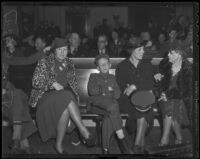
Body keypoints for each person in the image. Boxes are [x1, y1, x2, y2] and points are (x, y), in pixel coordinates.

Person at [29, 38, 94, 154]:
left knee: (65, 107)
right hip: (46, 96)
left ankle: (58, 146)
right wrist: (52, 83)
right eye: (59, 50)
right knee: (66, 95)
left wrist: (74, 96)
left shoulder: (69, 63)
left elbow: (73, 84)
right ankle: (83, 130)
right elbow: (35, 82)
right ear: (54, 50)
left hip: (64, 96)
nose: (62, 52)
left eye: (65, 50)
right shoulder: (44, 62)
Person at [115, 44, 159, 153]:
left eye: (143, 50)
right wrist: (141, 86)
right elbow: (124, 88)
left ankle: (137, 145)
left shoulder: (147, 65)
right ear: (131, 51)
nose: (142, 52)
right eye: (139, 50)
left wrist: (135, 86)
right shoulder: (122, 66)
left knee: (142, 105)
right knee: (143, 107)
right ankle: (139, 144)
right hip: (128, 101)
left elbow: (151, 83)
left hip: (146, 98)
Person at [87, 54, 133, 154]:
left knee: (108, 117)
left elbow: (117, 94)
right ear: (97, 67)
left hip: (109, 107)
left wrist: (104, 91)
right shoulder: (94, 76)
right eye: (101, 65)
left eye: (106, 64)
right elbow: (92, 91)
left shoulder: (112, 77)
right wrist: (107, 90)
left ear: (110, 65)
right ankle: (120, 135)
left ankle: (105, 149)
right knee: (113, 106)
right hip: (96, 104)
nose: (104, 66)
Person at [157, 47, 192, 146]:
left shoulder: (189, 69)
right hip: (165, 98)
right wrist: (161, 91)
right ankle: (179, 138)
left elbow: (186, 90)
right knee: (170, 106)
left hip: (183, 100)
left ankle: (164, 140)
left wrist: (167, 95)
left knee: (171, 106)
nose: (168, 55)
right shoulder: (166, 67)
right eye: (168, 53)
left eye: (171, 53)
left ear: (180, 55)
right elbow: (160, 86)